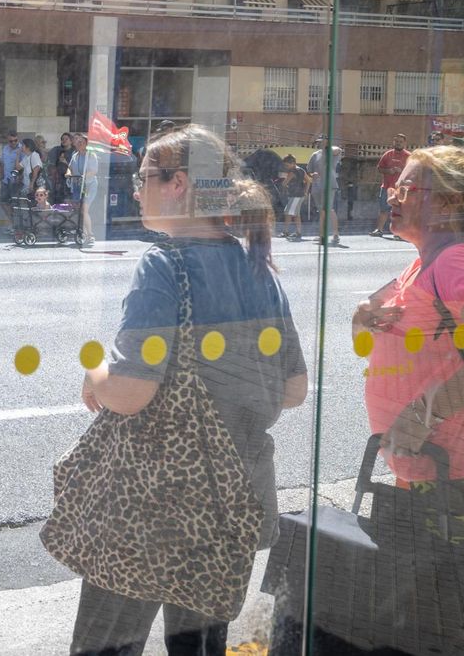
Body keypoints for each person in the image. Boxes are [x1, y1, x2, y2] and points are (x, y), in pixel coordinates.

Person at [71, 124, 308, 656]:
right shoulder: (258, 268)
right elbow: (294, 388)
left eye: (144, 176)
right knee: (200, 648)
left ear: (178, 183)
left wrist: (95, 375)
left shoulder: (164, 264)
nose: (136, 188)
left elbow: (131, 391)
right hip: (236, 501)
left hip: (153, 507)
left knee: (104, 645)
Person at [352, 145, 464, 656]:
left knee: (443, 624)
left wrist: (423, 412)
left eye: (408, 188)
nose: (394, 195)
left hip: (461, 474)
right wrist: (365, 312)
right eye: (395, 186)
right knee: (451, 617)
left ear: (450, 204)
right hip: (437, 471)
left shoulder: (456, 261)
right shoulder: (424, 263)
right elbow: (369, 326)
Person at [371, 133, 410, 239]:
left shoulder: (408, 156)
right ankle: (379, 229)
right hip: (386, 187)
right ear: (393, 142)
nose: (398, 143)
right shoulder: (388, 154)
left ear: (405, 143)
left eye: (400, 142)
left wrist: (402, 172)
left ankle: (398, 233)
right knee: (383, 209)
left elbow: (412, 172)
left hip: (401, 189)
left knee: (399, 212)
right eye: (396, 141)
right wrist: (389, 171)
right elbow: (379, 168)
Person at [307, 140, 343, 247]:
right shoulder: (315, 155)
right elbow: (309, 170)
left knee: (325, 209)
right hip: (317, 186)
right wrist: (312, 174)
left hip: (329, 185)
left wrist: (328, 147)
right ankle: (331, 233)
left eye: (323, 141)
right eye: (319, 142)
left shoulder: (332, 153)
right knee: (324, 210)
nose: (320, 143)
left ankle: (324, 235)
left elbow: (338, 150)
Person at [66, 132, 99, 245]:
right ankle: (83, 233)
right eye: (78, 142)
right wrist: (68, 173)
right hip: (77, 185)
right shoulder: (75, 155)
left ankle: (90, 234)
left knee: (84, 209)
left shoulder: (91, 155)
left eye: (82, 142)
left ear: (86, 144)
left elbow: (94, 171)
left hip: (89, 186)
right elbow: (69, 167)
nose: (79, 144)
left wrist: (84, 176)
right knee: (79, 210)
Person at [279, 155, 306, 241]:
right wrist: (306, 191)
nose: (286, 167)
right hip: (300, 195)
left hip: (295, 195)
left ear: (293, 163)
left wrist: (283, 179)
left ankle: (286, 231)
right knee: (296, 215)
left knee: (287, 213)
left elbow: (284, 183)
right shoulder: (301, 170)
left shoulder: (292, 172)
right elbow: (308, 181)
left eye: (287, 165)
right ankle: (298, 232)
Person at [0, 129, 22, 229]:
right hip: (6, 179)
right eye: (11, 141)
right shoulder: (5, 148)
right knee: (3, 202)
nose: (13, 143)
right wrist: (1, 175)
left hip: (15, 180)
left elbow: (23, 165)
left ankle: (15, 224)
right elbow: (2, 163)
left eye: (15, 140)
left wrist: (20, 177)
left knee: (15, 203)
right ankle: (12, 221)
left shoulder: (21, 149)